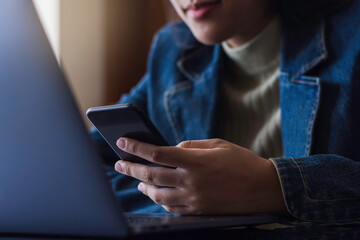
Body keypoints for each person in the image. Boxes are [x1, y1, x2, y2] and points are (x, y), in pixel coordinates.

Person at [91, 0, 360, 221]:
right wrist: (177, 197)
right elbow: (87, 167)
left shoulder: (352, 33)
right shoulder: (173, 51)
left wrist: (273, 186)